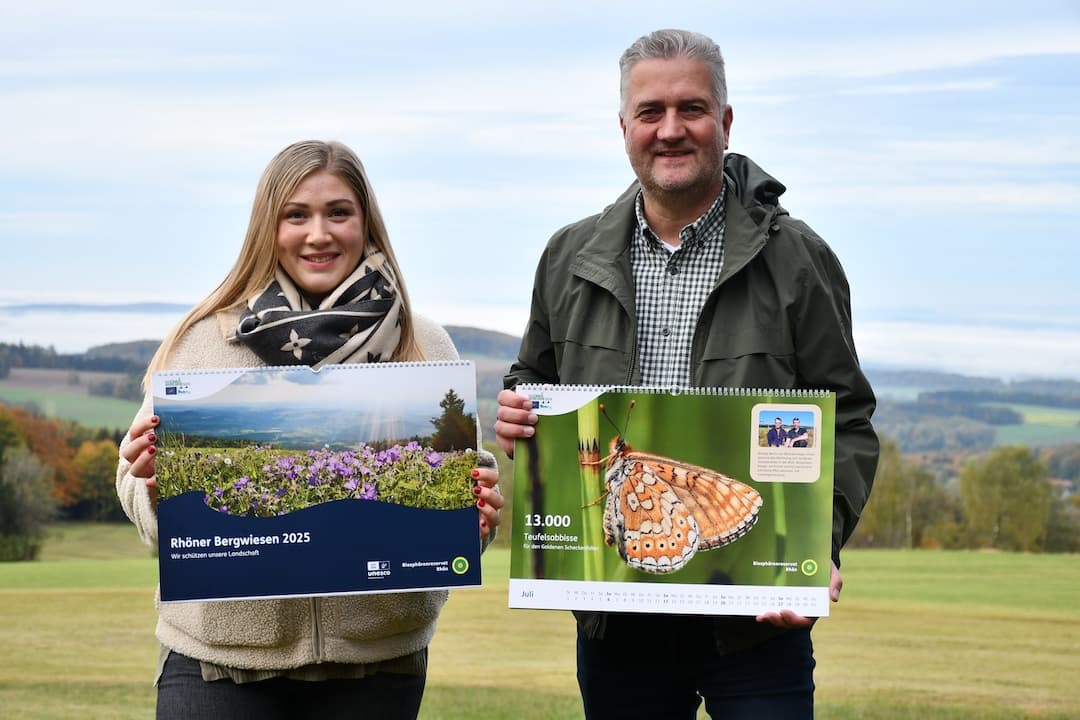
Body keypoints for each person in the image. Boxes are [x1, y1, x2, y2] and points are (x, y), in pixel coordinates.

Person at [494, 29, 878, 719]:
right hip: (617, 623)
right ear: (624, 128)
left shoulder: (798, 260)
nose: (670, 130)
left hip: (756, 624)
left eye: (691, 109)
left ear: (725, 122)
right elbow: (534, 379)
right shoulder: (567, 256)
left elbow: (845, 418)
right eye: (651, 112)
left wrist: (818, 546)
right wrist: (517, 412)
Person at [117, 140, 503, 720]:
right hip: (217, 665)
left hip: (377, 662)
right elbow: (135, 486)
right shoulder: (201, 342)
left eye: (338, 213)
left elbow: (466, 484)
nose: (318, 234)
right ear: (267, 228)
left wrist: (473, 514)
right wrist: (153, 485)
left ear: (365, 222)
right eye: (296, 215)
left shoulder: (422, 342)